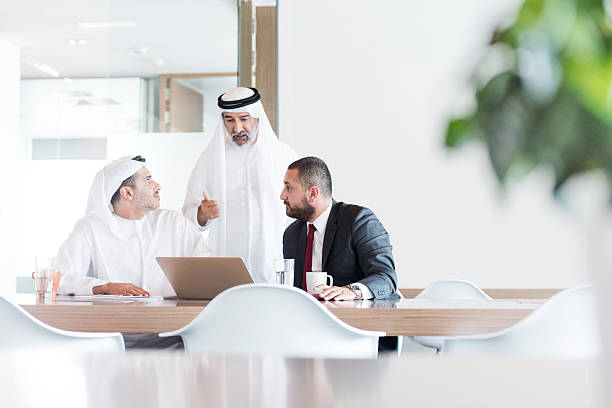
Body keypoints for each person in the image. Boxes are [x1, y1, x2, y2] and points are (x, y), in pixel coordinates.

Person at [182, 87, 297, 282]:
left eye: (244, 119)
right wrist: (202, 214)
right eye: (230, 120)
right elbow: (188, 215)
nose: (237, 128)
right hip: (226, 260)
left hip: (273, 260)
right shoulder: (210, 159)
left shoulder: (283, 156)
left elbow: (300, 211)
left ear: (257, 117)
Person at [55, 155, 212, 297]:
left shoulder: (173, 222)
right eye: (148, 180)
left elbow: (208, 265)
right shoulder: (90, 228)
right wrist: (105, 287)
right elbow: (58, 279)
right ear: (127, 193)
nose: (157, 186)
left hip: (170, 320)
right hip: (112, 321)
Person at [280, 156, 398, 301]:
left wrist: (353, 291)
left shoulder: (360, 221)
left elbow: (386, 278)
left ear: (312, 194)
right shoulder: (292, 234)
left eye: (289, 187)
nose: (282, 195)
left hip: (358, 319)